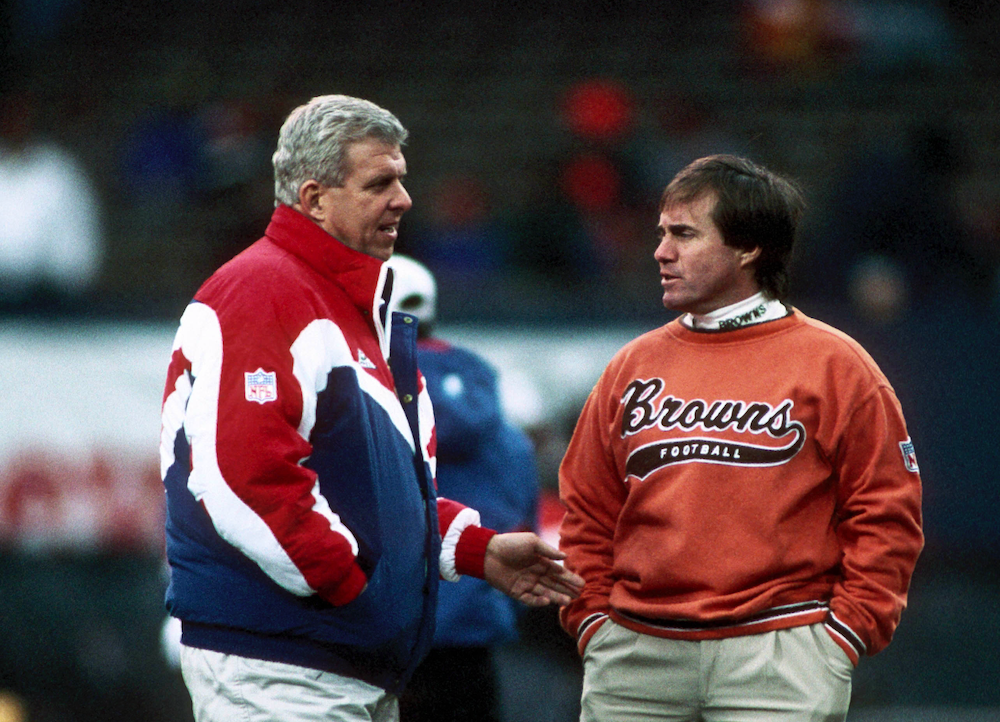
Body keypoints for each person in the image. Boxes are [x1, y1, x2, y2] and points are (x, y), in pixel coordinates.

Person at [159, 94, 583, 722]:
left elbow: (372, 489)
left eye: (401, 180)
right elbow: (243, 478)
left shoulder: (346, 301)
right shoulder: (263, 291)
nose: (404, 200)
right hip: (284, 661)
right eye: (379, 183)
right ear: (314, 198)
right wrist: (359, 593)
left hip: (338, 660)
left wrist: (473, 549)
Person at [558, 154, 923, 722]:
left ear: (749, 247)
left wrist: (845, 636)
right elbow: (586, 509)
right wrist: (593, 623)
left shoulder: (836, 364)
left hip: (782, 655)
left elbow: (887, 513)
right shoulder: (631, 365)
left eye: (684, 234)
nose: (661, 252)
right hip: (634, 655)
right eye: (662, 234)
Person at [386, 254, 540, 722]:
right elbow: (524, 529)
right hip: (475, 632)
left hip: (388, 633)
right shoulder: (506, 431)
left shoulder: (362, 400)